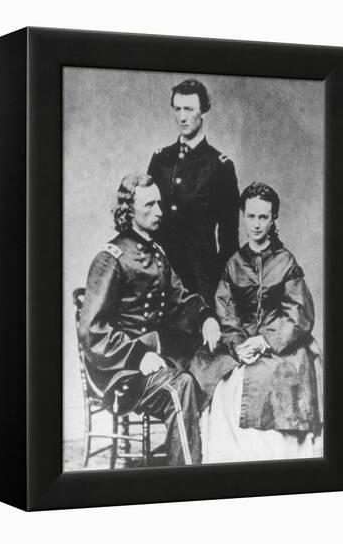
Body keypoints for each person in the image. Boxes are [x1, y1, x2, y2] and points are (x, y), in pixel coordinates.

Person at [79, 173, 221, 466]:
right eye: (150, 205)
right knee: (180, 387)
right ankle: (188, 481)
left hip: (153, 359)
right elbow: (93, 331)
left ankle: (188, 457)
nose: (160, 211)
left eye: (159, 203)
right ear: (129, 211)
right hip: (120, 372)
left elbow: (180, 300)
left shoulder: (157, 254)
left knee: (211, 367)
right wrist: (137, 356)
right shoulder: (111, 258)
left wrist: (206, 317)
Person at [199, 182, 323, 462]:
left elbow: (299, 312)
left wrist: (266, 339)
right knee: (222, 383)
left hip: (282, 344)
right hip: (241, 344)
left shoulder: (285, 261)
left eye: (263, 217)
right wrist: (237, 344)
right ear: (243, 215)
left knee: (275, 377)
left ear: (273, 219)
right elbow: (225, 310)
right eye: (251, 216)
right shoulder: (234, 263)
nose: (256, 224)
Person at [147, 79, 240, 307]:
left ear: (204, 112)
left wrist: (219, 289)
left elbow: (229, 239)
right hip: (160, 275)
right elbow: (145, 217)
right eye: (177, 109)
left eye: (189, 109)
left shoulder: (221, 167)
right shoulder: (160, 160)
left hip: (201, 278)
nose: (182, 117)